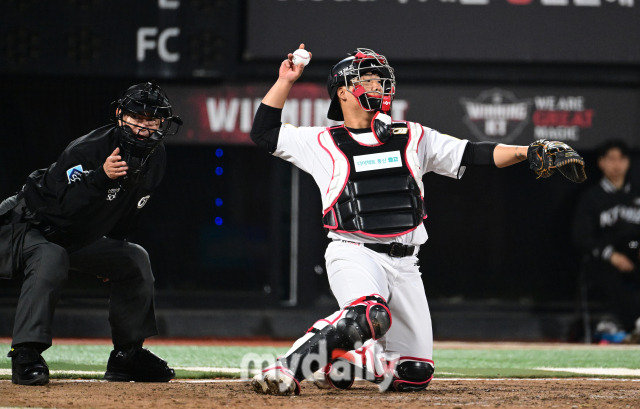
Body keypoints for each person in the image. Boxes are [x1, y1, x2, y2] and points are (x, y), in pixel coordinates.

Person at [249, 45, 575, 395]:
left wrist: (529, 152)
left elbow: (474, 152)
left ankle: (344, 360)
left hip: (406, 263)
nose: (379, 87)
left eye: (380, 81)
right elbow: (264, 133)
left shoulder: (411, 135)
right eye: (368, 81)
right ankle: (287, 368)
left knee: (414, 373)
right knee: (368, 315)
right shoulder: (322, 141)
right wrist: (286, 80)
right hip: (354, 252)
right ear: (343, 92)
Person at [0, 82, 182, 385]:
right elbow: (59, 207)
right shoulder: (88, 149)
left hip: (69, 234)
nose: (144, 128)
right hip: (22, 224)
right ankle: (26, 354)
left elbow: (126, 213)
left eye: (152, 121)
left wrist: (111, 258)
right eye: (138, 118)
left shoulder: (156, 157)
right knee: (51, 255)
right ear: (120, 115)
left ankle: (127, 357)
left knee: (133, 259)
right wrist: (100, 177)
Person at [572, 140, 640, 340]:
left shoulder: (636, 194)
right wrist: (611, 255)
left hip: (634, 255)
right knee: (608, 276)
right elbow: (582, 238)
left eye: (621, 159)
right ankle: (633, 325)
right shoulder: (592, 198)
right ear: (601, 163)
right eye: (611, 159)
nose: (616, 165)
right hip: (604, 260)